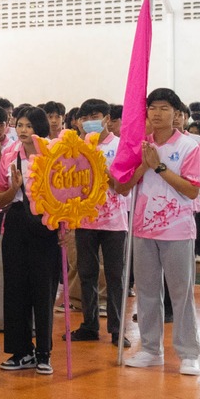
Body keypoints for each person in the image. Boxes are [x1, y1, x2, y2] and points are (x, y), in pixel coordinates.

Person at [126, 89, 200, 374]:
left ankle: (188, 353)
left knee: (180, 293)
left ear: (177, 113)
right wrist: (143, 164)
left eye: (164, 108)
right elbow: (123, 186)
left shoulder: (188, 147)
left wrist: (158, 166)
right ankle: (150, 349)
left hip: (177, 229)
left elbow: (192, 188)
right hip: (143, 228)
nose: (157, 113)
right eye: (152, 108)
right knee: (146, 292)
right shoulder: (139, 145)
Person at [0, 108, 60, 374]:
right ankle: (21, 351)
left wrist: (65, 228)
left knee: (43, 287)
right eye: (19, 124)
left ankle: (44, 352)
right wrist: (14, 187)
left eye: (29, 125)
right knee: (15, 286)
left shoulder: (55, 153)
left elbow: (66, 192)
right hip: (17, 220)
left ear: (40, 128)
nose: (22, 130)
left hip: (47, 221)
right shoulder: (10, 154)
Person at [73, 99, 131, 340]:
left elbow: (121, 186)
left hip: (114, 221)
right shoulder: (76, 146)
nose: (89, 122)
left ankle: (117, 328)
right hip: (84, 220)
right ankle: (89, 325)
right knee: (86, 274)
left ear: (107, 118)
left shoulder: (120, 146)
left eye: (94, 116)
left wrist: (99, 167)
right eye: (84, 118)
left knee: (115, 276)